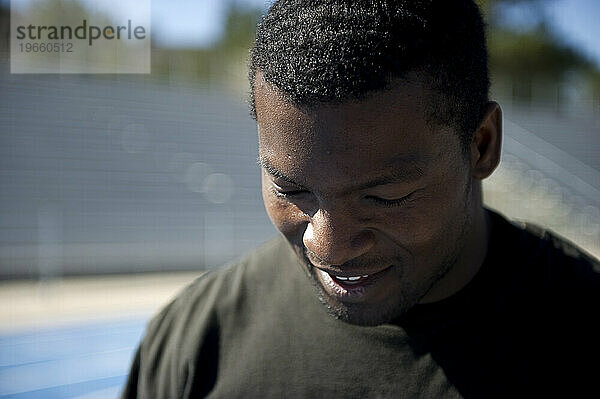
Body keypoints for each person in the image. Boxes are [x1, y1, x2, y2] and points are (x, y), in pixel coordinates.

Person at [122, 1, 600, 397]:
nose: (328, 246)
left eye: (384, 196)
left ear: (481, 145)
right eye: (292, 190)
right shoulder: (196, 339)